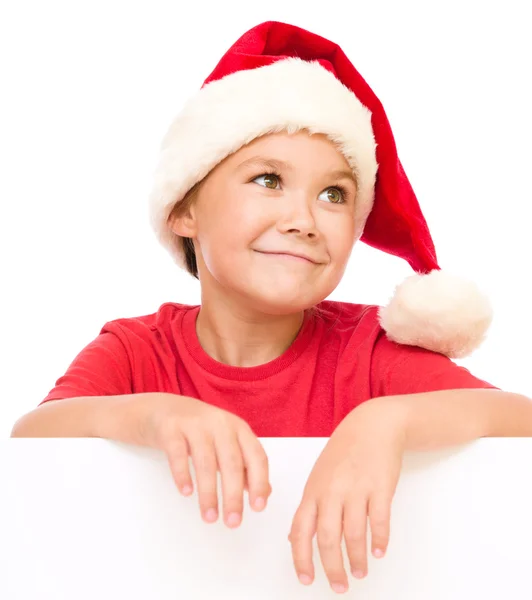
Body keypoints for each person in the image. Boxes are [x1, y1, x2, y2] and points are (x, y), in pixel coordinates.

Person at [11, 20, 532, 595]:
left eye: (334, 194)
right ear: (184, 210)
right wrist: (150, 415)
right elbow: (32, 440)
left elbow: (520, 421)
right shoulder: (138, 350)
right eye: (267, 179)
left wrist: (390, 420)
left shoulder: (369, 348)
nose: (303, 221)